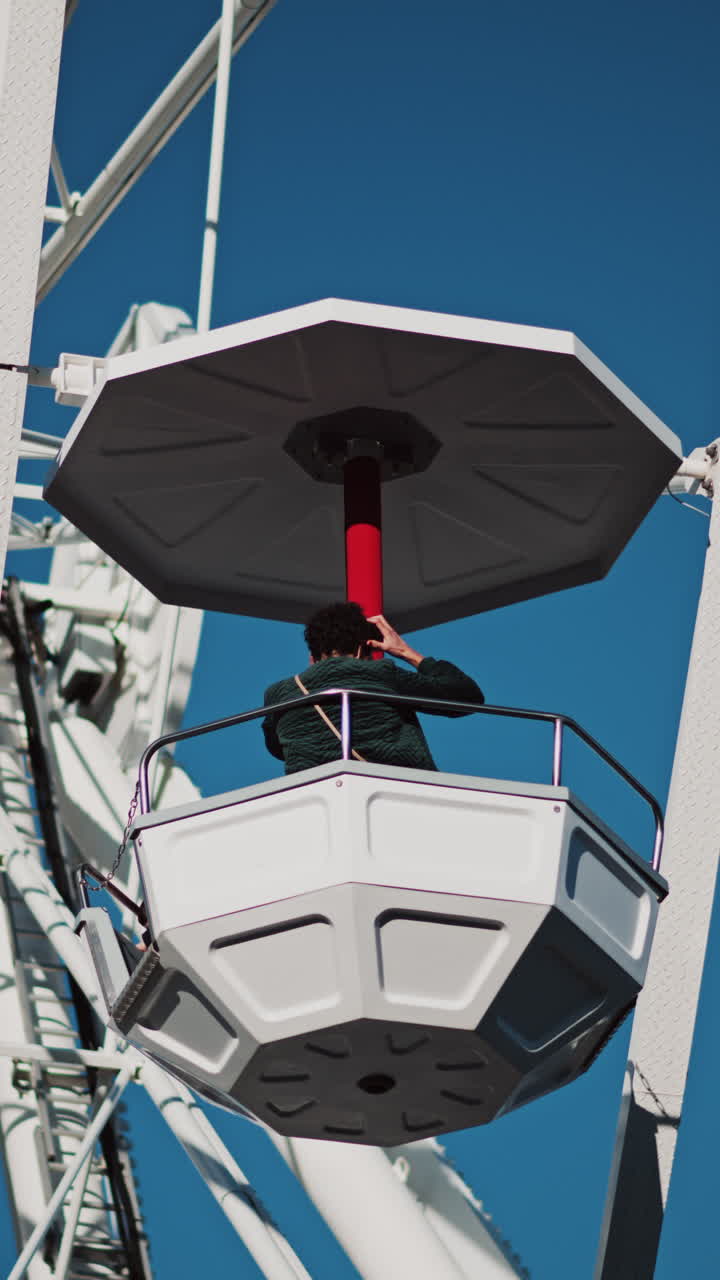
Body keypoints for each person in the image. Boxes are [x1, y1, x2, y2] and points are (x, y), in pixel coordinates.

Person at [262, 601, 484, 774]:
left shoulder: (278, 694)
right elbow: (466, 696)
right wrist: (406, 652)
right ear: (361, 650)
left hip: (309, 799)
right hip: (394, 792)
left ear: (312, 656)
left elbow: (278, 748)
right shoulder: (380, 674)